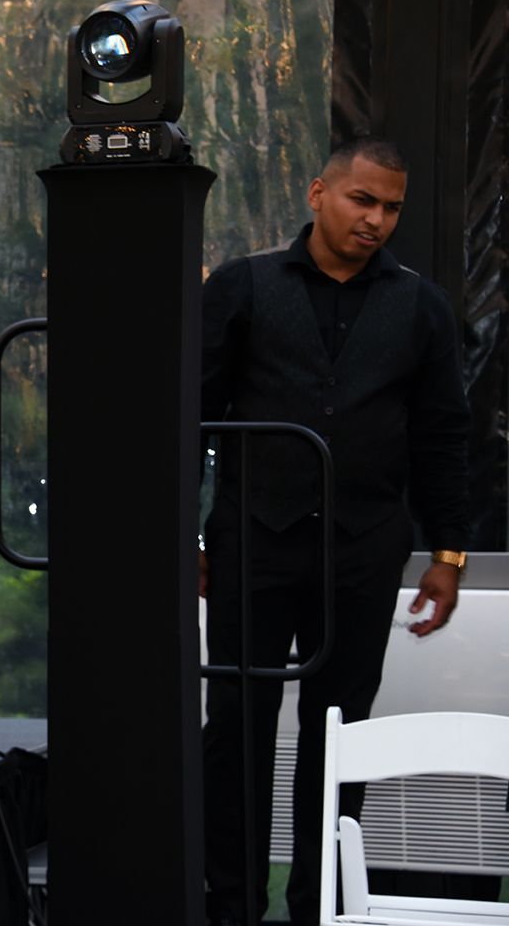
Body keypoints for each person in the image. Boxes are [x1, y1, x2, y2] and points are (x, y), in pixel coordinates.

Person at [200, 136, 470, 926]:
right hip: (255, 533)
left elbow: (444, 434)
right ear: (319, 192)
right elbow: (192, 414)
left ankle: (318, 907)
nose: (376, 220)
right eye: (363, 200)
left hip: (363, 544)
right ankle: (233, 910)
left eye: (391, 207)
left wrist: (447, 552)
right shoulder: (244, 285)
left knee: (341, 734)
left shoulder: (421, 306)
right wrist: (186, 534)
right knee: (237, 730)